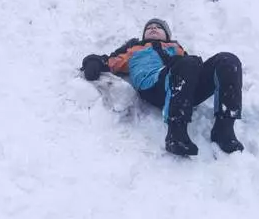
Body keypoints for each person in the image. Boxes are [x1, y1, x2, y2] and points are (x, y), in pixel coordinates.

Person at [80, 19, 243, 157]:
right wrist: (92, 62)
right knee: (186, 64)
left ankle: (224, 128)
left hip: (185, 85)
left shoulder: (177, 50)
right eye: (149, 28)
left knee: (228, 61)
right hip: (154, 85)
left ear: (167, 35)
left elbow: (194, 68)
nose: (153, 29)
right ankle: (176, 133)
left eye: (158, 27)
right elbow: (106, 61)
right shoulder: (132, 50)